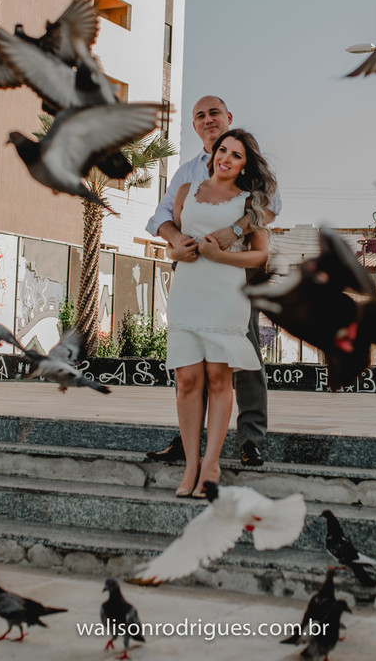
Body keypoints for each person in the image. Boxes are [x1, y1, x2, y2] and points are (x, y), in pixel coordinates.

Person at [144, 96, 282, 468]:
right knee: (189, 360)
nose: (208, 120)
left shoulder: (250, 170)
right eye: (200, 116)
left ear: (228, 117)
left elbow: (269, 207)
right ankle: (191, 441)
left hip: (234, 275)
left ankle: (251, 437)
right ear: (195, 126)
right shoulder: (187, 172)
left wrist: (234, 229)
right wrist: (175, 240)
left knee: (244, 354)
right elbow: (162, 214)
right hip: (191, 273)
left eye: (214, 113)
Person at [164, 129, 274, 497]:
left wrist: (221, 256)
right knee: (187, 380)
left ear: (245, 165)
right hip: (187, 291)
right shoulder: (184, 192)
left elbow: (260, 255)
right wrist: (175, 252)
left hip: (226, 292)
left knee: (217, 378)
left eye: (236, 155)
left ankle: (211, 465)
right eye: (222, 150)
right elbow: (177, 241)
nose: (225, 158)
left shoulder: (248, 203)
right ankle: (191, 466)